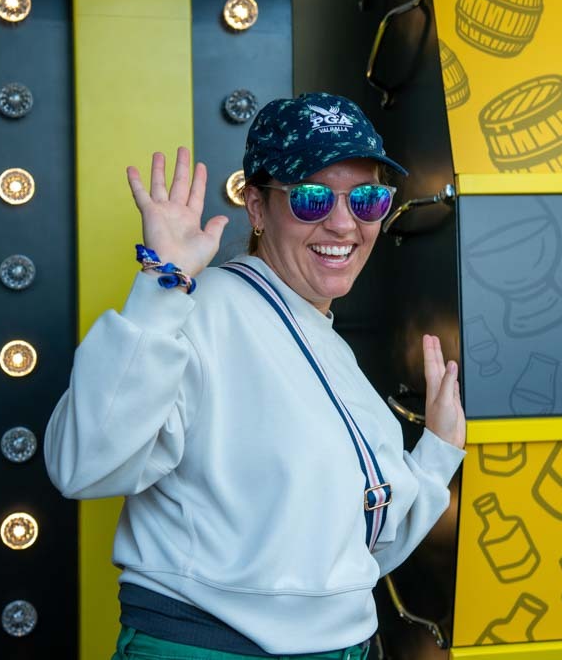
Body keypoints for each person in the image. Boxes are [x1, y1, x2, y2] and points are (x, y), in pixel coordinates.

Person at [44, 92, 467, 660]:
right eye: (312, 198)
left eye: (367, 199)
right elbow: (82, 464)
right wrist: (161, 286)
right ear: (257, 207)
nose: (345, 223)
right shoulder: (202, 309)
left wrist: (437, 453)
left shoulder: (326, 345)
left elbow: (354, 556)